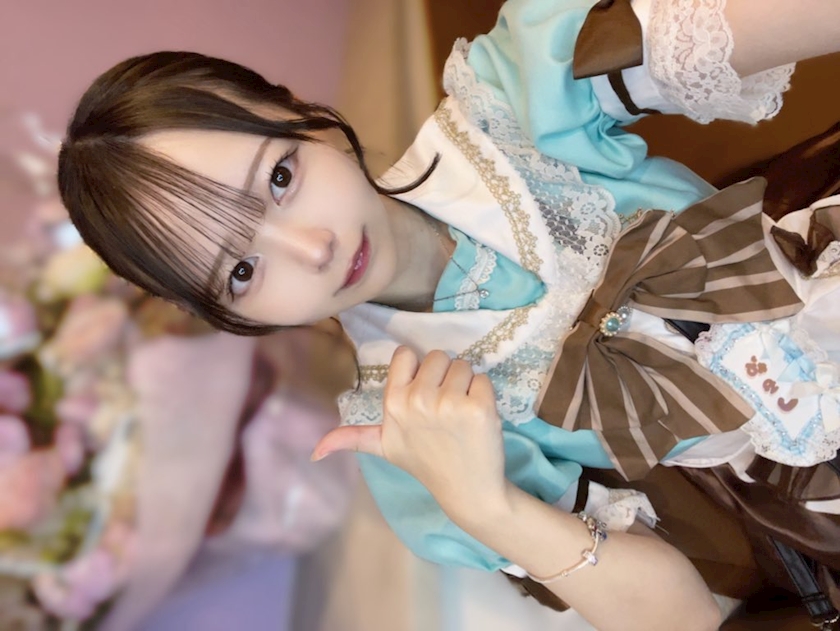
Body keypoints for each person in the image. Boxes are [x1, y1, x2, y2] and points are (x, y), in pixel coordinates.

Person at [57, 0, 840, 628]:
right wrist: (485, 504)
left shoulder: (508, 96)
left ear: (296, 111)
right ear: (222, 314)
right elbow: (684, 617)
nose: (313, 249)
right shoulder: (408, 443)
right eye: (241, 270)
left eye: (281, 177)